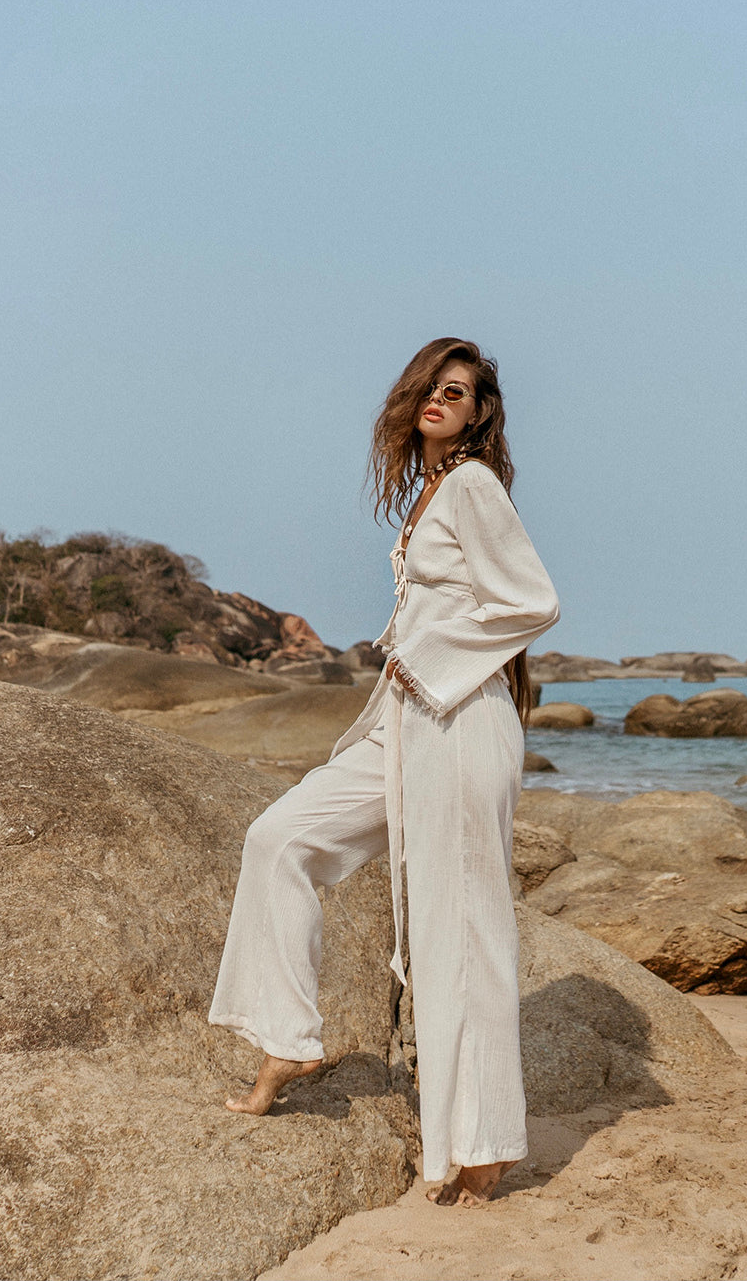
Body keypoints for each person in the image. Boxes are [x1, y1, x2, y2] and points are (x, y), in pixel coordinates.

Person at [208, 337, 560, 1207]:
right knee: (280, 837)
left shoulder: (474, 486)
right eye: (431, 389)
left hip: (462, 722)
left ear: (480, 415)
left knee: (465, 928)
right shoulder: (432, 491)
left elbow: (532, 601)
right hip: (407, 723)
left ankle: (480, 1152)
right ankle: (289, 1036)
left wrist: (422, 656)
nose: (440, 401)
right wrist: (409, 669)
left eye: (459, 393)